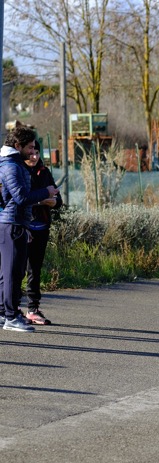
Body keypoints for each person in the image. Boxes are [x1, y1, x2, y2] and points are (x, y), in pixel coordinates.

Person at [0, 127, 59, 332]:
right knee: (12, 272)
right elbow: (21, 197)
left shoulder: (14, 164)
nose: (34, 152)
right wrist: (45, 192)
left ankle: (6, 313)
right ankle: (11, 316)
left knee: (13, 272)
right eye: (30, 147)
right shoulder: (12, 166)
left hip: (16, 223)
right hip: (13, 224)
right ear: (18, 146)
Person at [23, 140, 62, 325]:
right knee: (16, 270)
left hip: (42, 227)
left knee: (34, 270)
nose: (34, 156)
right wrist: (42, 199)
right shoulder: (18, 172)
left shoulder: (44, 172)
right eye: (31, 152)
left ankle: (33, 308)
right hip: (23, 227)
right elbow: (22, 198)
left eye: (37, 152)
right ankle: (11, 307)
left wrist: (53, 201)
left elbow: (57, 199)